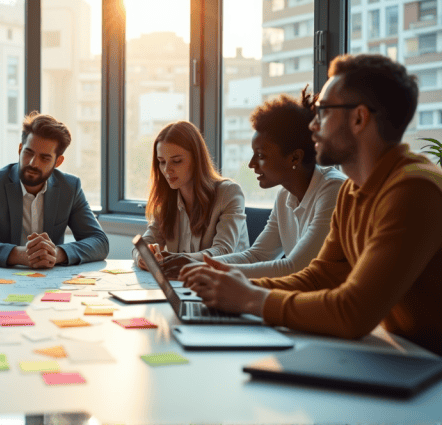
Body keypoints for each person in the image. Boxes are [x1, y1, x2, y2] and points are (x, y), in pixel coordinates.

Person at [181, 54, 442, 356]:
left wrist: (250, 299)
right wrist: (236, 287)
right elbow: (318, 277)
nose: (313, 125)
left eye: (324, 112)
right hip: (403, 355)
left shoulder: (414, 190)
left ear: (359, 118)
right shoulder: (352, 192)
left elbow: (352, 312)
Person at [204, 87, 346, 278]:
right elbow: (256, 256)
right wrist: (191, 262)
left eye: (261, 155)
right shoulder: (285, 195)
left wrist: (205, 269)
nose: (252, 164)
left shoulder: (333, 191)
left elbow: (295, 268)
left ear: (295, 158)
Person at [0, 112, 109, 268]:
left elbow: (99, 242)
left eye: (45, 158)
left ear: (58, 161)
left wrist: (57, 253)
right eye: (28, 153)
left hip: (48, 279)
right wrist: (17, 254)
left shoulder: (70, 187)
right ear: (20, 149)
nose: (33, 163)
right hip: (0, 278)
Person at [133, 120, 249, 278]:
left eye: (177, 161)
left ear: (197, 159)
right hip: (186, 284)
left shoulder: (229, 193)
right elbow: (144, 242)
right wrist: (142, 256)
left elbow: (223, 251)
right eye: (162, 162)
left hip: (228, 284)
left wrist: (180, 260)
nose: (167, 170)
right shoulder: (169, 198)